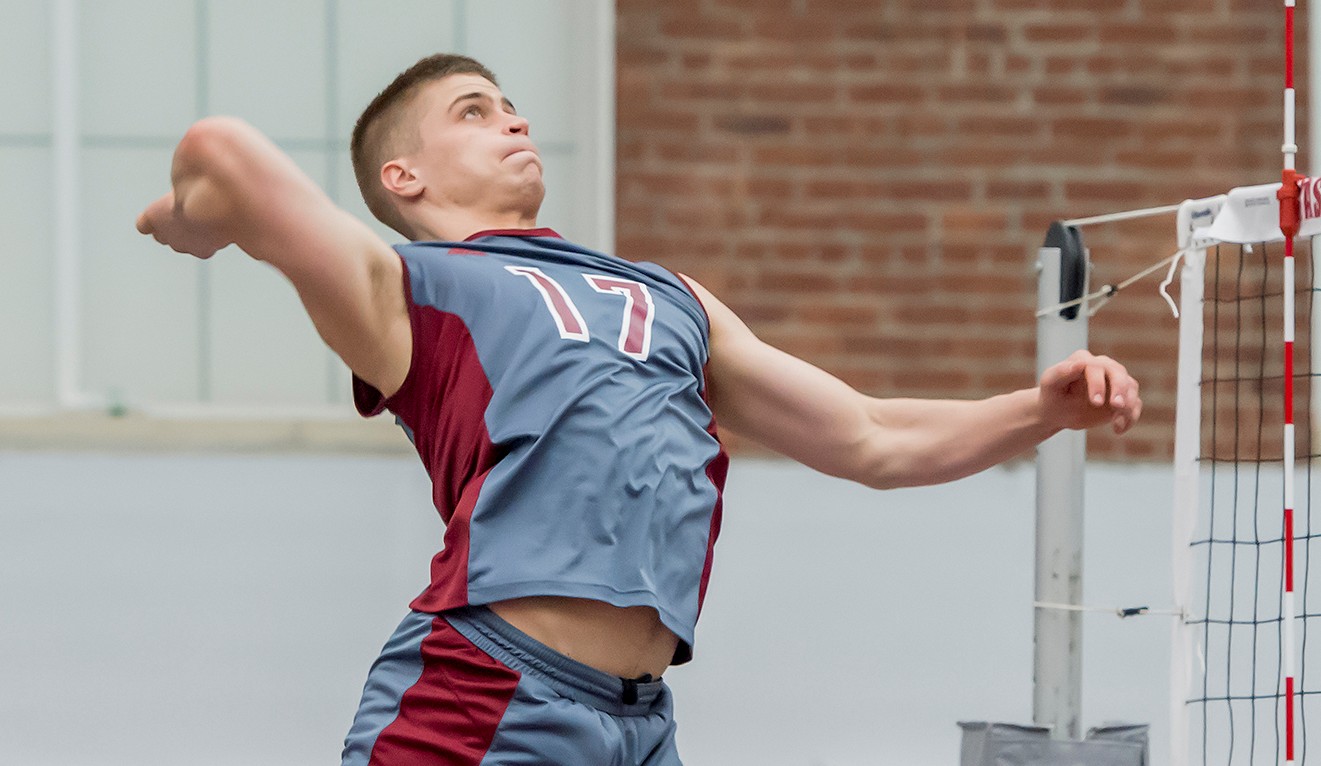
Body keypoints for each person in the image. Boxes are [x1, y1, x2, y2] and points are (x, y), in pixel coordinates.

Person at [136, 54, 1142, 766]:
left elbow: (870, 437)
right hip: (484, 697)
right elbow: (220, 149)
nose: (513, 120)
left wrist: (1038, 409)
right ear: (404, 177)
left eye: (512, 104)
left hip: (638, 724)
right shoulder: (408, 284)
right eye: (474, 111)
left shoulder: (669, 298)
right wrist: (189, 223)